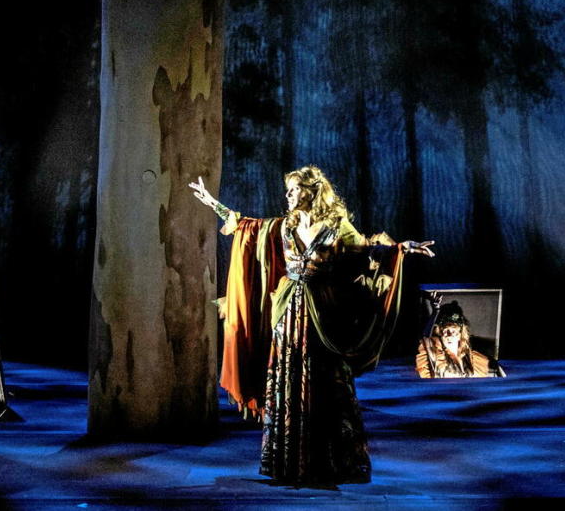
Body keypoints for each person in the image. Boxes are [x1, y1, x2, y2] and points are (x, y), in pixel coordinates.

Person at [190, 166, 434, 486]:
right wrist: (212, 203)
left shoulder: (335, 226)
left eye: (293, 190)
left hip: (323, 311)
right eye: (288, 190)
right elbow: (248, 227)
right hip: (288, 310)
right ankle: (288, 464)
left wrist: (402, 249)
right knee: (287, 380)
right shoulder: (286, 225)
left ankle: (332, 462)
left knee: (327, 382)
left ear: (310, 191)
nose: (288, 196)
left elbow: (365, 250)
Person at [416, 298, 495, 378]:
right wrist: (435, 312)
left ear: (460, 334)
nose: (449, 335)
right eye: (446, 331)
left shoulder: (469, 357)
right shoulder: (435, 354)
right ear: (440, 333)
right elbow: (426, 339)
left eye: (453, 331)